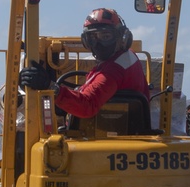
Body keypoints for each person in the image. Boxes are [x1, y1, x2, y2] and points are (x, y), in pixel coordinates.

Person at [19, 7, 149, 118]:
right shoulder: (127, 57)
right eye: (92, 38)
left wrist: (49, 86)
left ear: (122, 37)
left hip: (106, 133)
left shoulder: (113, 71)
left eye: (106, 36)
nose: (98, 44)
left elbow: (87, 105)